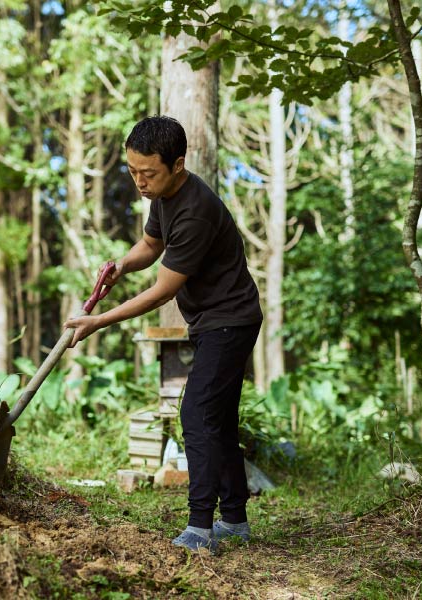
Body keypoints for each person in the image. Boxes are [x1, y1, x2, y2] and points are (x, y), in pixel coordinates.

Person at [64, 116, 263, 554]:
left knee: (197, 414)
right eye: (132, 171)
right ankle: (234, 520)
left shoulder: (195, 211)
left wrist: (97, 321)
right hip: (213, 319)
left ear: (178, 164)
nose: (139, 182)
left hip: (230, 321)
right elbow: (151, 245)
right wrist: (122, 265)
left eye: (148, 173)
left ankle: (200, 529)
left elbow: (162, 292)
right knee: (218, 420)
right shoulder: (163, 194)